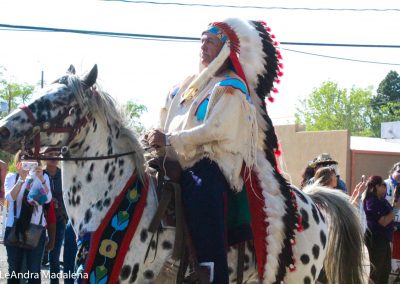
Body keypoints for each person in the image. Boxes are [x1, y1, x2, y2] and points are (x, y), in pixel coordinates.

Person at [146, 19, 271, 283]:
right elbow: (165, 115)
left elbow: (215, 129)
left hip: (213, 161)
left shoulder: (231, 86)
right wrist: (153, 136)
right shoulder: (187, 85)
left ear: (225, 49)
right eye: (201, 41)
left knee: (201, 187)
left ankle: (210, 270)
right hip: (174, 156)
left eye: (210, 42)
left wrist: (169, 139)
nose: (203, 47)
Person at [4, 150, 52, 284]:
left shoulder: (43, 177)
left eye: (31, 159)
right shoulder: (11, 177)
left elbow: (47, 200)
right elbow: (10, 197)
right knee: (14, 270)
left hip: (36, 229)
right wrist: (21, 179)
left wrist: (41, 179)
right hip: (14, 227)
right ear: (18, 162)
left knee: (34, 271)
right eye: (24, 159)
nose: (27, 162)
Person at [363, 175, 400, 284]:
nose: (385, 187)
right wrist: (397, 207)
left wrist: (394, 201)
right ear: (376, 186)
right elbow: (384, 221)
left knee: (385, 271)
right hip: (376, 242)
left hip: (384, 241)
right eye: (383, 185)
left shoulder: (382, 200)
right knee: (375, 273)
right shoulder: (372, 201)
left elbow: (390, 214)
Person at [42, 153, 68, 283]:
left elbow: (69, 197)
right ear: (44, 157)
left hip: (59, 220)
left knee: (54, 256)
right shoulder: (40, 174)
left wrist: (60, 208)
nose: (53, 157)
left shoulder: (65, 175)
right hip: (40, 221)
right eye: (50, 154)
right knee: (36, 257)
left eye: (56, 154)